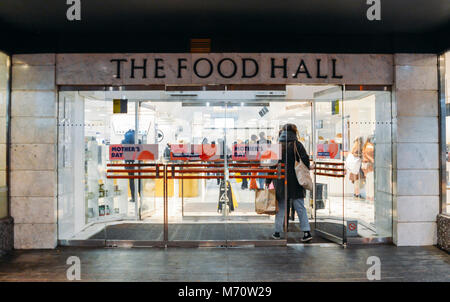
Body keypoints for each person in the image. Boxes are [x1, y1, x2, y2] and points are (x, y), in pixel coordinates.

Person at [266, 124, 312, 242]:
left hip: (280, 181)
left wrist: (268, 180)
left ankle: (277, 232)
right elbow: (305, 160)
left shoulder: (277, 146)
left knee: (280, 207)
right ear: (294, 132)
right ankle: (306, 232)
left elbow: (272, 165)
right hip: (296, 181)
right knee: (300, 207)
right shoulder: (298, 145)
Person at [362, 136, 375, 201]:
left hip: (367, 166)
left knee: (369, 182)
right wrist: (373, 160)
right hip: (370, 166)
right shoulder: (370, 147)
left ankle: (368, 196)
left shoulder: (366, 146)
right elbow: (370, 156)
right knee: (371, 182)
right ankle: (371, 196)